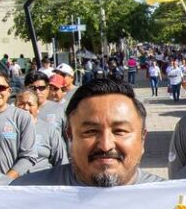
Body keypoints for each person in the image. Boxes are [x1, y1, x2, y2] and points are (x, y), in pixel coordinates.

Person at [14, 78, 165, 187]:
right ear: (70, 136)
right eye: (91, 131)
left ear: (142, 138)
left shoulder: (173, 204)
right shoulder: (24, 196)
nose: (106, 146)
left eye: (120, 131)